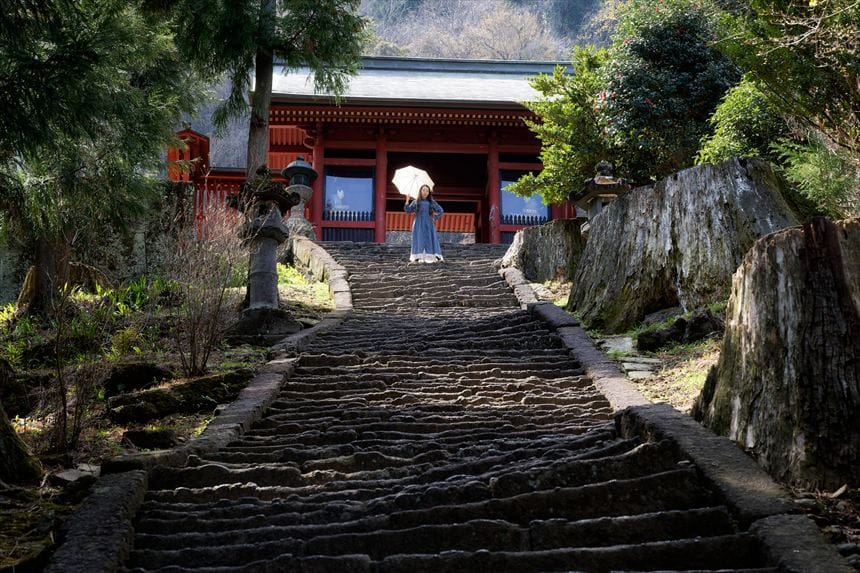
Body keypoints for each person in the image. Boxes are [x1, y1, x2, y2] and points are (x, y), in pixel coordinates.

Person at [405, 184, 444, 263]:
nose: (425, 192)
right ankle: (417, 256)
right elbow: (408, 210)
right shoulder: (415, 202)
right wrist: (407, 200)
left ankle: (435, 255)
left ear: (429, 192)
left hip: (429, 223)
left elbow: (441, 210)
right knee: (419, 238)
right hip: (418, 223)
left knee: (430, 238)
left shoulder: (431, 202)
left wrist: (435, 218)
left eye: (427, 191)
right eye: (423, 190)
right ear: (420, 191)